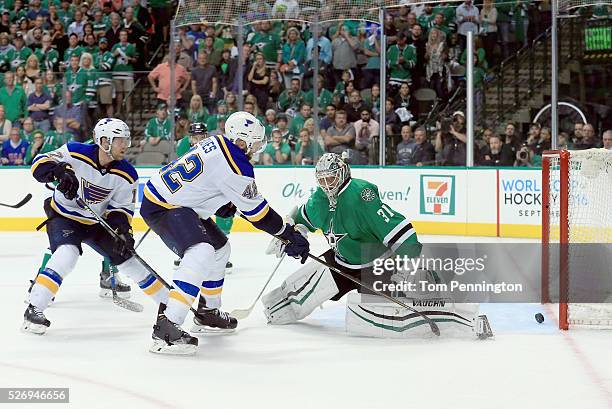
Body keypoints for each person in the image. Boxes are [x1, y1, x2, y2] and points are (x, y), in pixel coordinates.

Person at [139, 111, 310, 354]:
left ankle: (207, 312)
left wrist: (223, 202)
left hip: (175, 199)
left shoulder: (217, 141)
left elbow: (206, 179)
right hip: (165, 205)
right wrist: (287, 234)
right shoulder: (237, 166)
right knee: (201, 251)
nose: (259, 148)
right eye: (256, 143)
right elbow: (259, 215)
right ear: (241, 141)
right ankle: (167, 327)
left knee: (220, 249)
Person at [262, 153, 468, 338]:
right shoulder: (320, 197)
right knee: (286, 300)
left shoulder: (361, 195)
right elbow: (302, 218)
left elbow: (399, 230)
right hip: (341, 263)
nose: (326, 184)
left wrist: (409, 263)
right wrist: (287, 232)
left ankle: (444, 307)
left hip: (376, 267)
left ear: (342, 174)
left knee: (370, 318)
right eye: (322, 179)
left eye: (331, 178)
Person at [23, 118, 141, 336]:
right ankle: (41, 283)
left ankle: (108, 275)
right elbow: (42, 165)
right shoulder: (80, 152)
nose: (123, 145)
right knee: (63, 248)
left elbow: (119, 212)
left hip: (95, 212)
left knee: (115, 237)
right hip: (65, 207)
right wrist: (58, 172)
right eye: (118, 140)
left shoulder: (119, 167)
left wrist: (124, 230)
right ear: (102, 140)